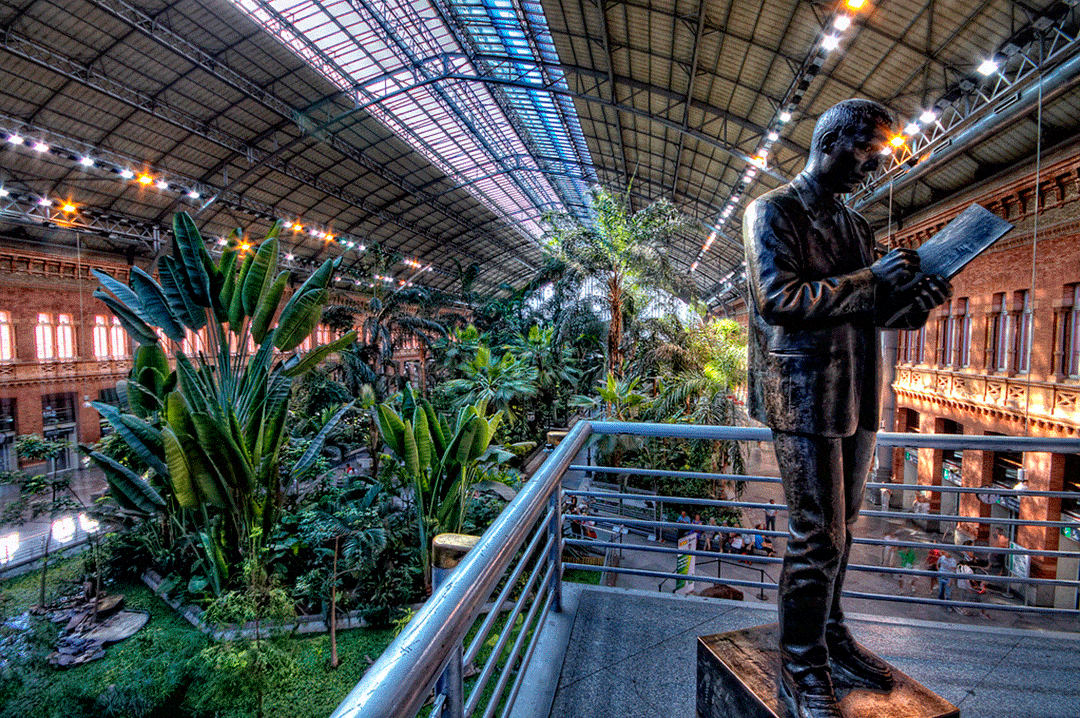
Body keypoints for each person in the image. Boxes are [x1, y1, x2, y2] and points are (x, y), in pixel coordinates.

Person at [744, 98, 951, 718]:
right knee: (817, 535)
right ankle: (800, 661)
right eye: (867, 150)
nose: (872, 165)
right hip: (803, 393)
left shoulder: (856, 227)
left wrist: (915, 303)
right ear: (830, 141)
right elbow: (778, 298)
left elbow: (870, 310)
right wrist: (873, 280)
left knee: (844, 530)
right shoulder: (773, 210)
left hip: (857, 391)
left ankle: (831, 637)